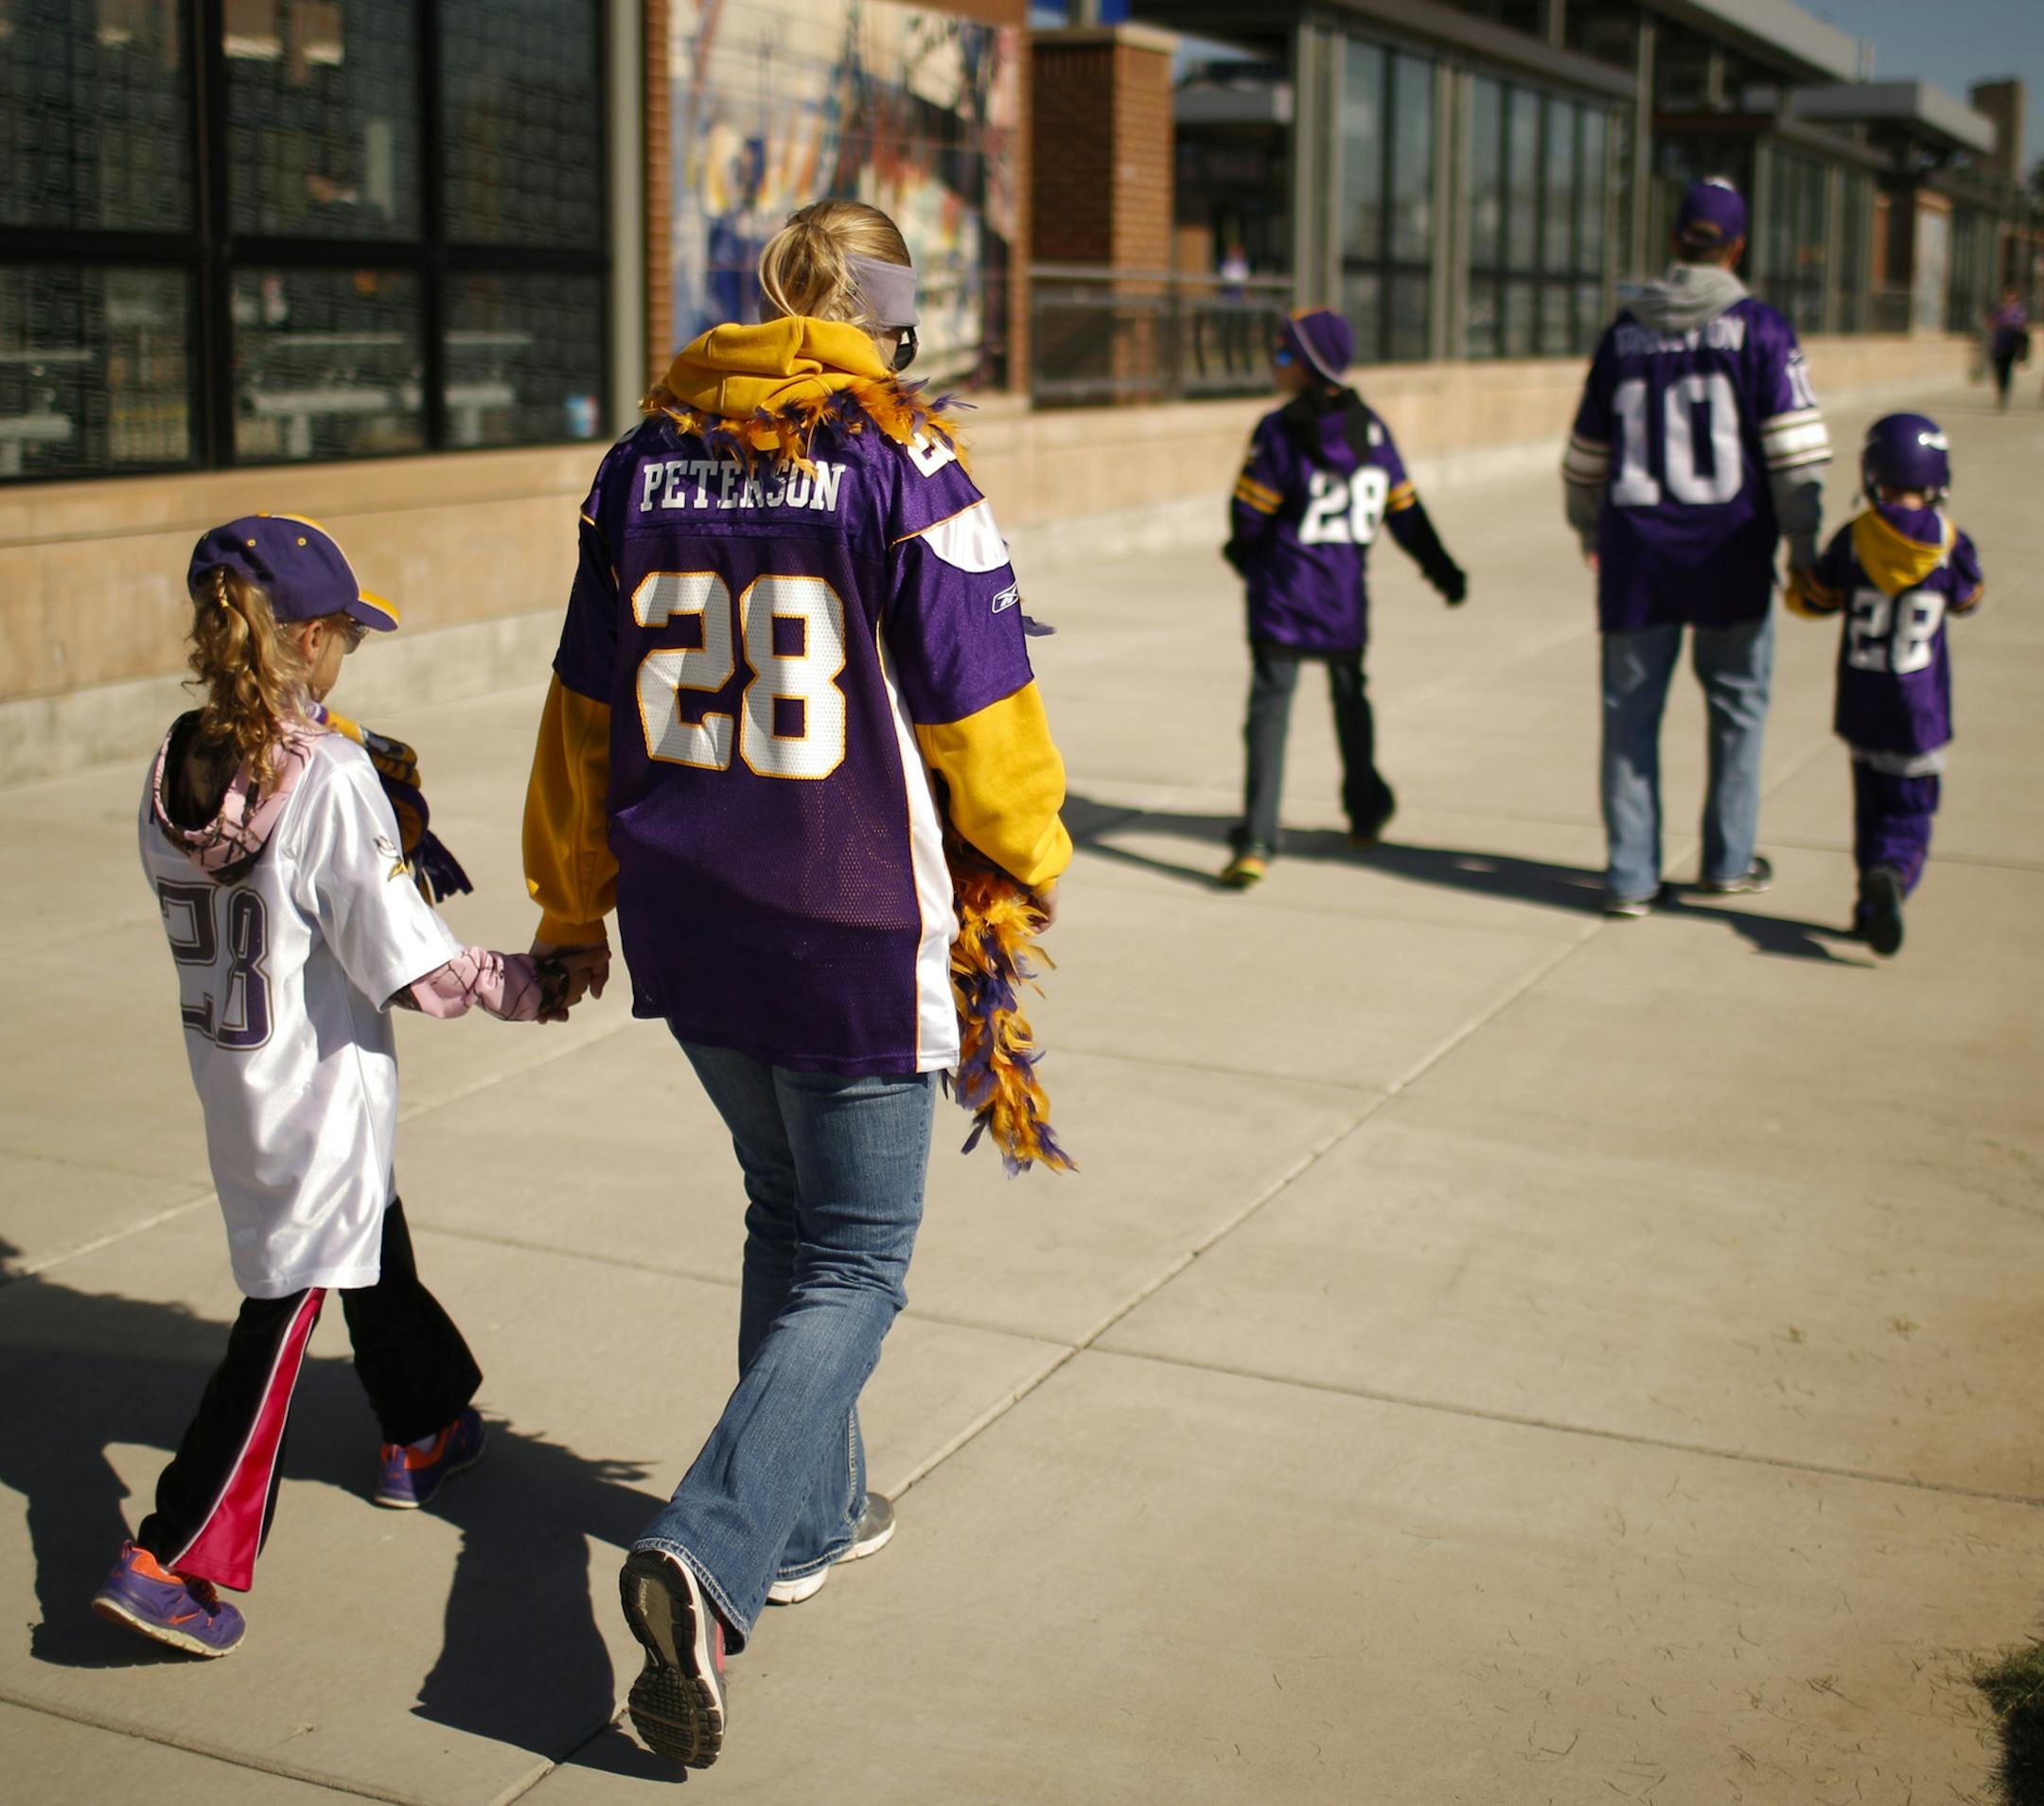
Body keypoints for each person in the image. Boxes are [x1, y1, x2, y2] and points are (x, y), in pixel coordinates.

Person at [520, 198, 1070, 1768]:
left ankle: (815, 1508)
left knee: (790, 1209)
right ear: (891, 323)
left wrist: (573, 896)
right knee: (860, 1259)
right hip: (849, 919)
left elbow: (579, 709)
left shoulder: (639, 462)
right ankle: (709, 1551)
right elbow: (988, 708)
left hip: (691, 915)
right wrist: (1027, 858)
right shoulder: (906, 461)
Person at [97, 517, 577, 1658]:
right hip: (317, 1086)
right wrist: (532, 982)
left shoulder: (174, 760)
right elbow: (409, 964)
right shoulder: (329, 778)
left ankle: (424, 1422)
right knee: (283, 1313)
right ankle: (172, 1552)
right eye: (345, 641)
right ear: (308, 641)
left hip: (239, 1079)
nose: (347, 660)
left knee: (365, 1230)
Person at [1562, 177, 1831, 916]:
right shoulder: (1764, 331)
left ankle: (1630, 875)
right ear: (1737, 247)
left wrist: (1589, 528)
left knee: (1630, 716)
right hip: (1732, 555)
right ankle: (1727, 860)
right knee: (1738, 709)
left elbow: (1584, 457)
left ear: (1675, 241)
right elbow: (1796, 455)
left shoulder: (1623, 334)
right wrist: (1803, 550)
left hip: (1637, 560)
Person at [1218, 307, 1467, 887]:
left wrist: (1244, 554)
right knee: (1352, 701)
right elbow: (1405, 513)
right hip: (1342, 599)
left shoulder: (1279, 431)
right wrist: (1442, 569)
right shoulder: (1371, 430)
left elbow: (1248, 514)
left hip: (1282, 595)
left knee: (1269, 714)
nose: (1274, 363)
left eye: (1282, 353)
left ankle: (1256, 837)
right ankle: (1364, 811)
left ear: (1306, 364)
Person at [1787, 413, 1983, 956]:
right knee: (1910, 816)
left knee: (1870, 812)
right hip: (1918, 715)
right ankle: (1892, 878)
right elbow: (1969, 599)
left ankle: (1868, 906)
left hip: (1861, 706)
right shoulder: (1947, 544)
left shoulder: (1855, 539)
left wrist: (1798, 574)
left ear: (1872, 473)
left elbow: (1818, 599)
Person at [1986, 287, 2028, 412]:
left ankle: (2004, 395)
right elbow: (1992, 323)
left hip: (2011, 345)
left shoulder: (2019, 312)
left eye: (2012, 299)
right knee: (1999, 371)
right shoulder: (1999, 311)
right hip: (1999, 344)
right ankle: (2000, 393)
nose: (2009, 301)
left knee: (2007, 371)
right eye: (2007, 298)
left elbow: (2022, 326)